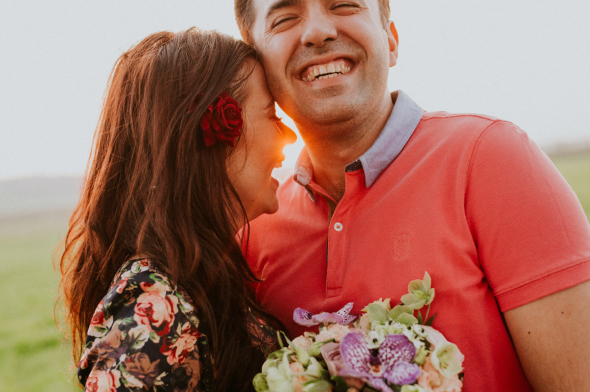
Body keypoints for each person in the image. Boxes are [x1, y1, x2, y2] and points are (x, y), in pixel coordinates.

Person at [234, 0, 590, 391]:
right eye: (285, 18)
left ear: (391, 40)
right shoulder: (253, 226)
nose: (318, 32)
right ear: (257, 63)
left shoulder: (490, 157)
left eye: (344, 4)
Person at [58, 28, 296, 392]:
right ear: (212, 135)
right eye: (270, 115)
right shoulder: (152, 308)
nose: (288, 138)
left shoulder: (200, 276)